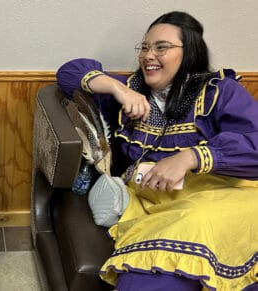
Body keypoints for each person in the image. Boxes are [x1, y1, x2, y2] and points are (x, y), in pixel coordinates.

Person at [56, 11, 258, 291]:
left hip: (219, 197)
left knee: (202, 224)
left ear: (190, 53)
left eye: (161, 47)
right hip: (155, 203)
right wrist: (117, 88)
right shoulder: (131, 90)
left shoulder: (219, 92)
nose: (148, 55)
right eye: (145, 47)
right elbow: (69, 72)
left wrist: (191, 157)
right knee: (140, 278)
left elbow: (255, 142)